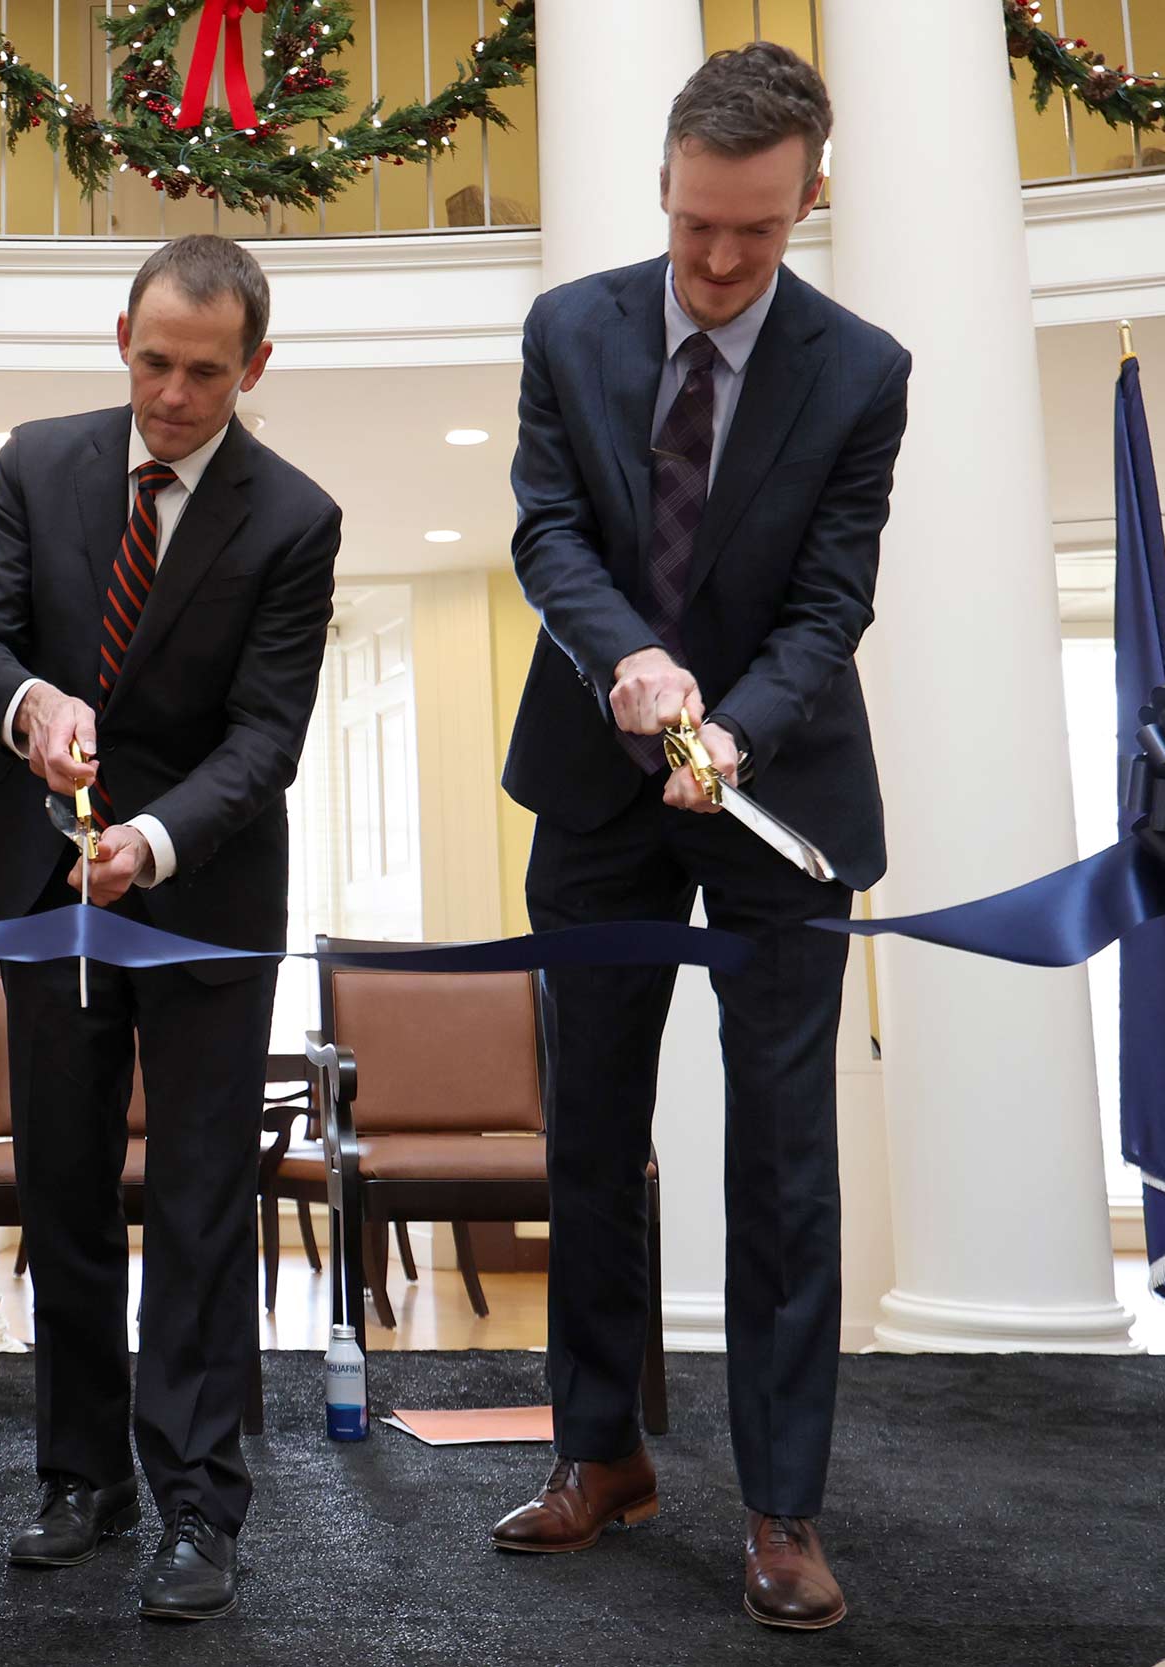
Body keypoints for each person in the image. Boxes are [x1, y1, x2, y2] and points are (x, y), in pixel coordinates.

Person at [490, 43, 911, 1632]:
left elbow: (833, 599)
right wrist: (630, 664)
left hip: (779, 794)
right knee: (589, 1128)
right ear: (664, 184)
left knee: (783, 1155)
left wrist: (735, 721)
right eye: (695, 228)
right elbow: (547, 526)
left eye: (755, 231)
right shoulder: (568, 326)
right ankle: (600, 1453)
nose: (721, 263)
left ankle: (783, 1507)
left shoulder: (861, 370)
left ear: (810, 196)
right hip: (597, 790)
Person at [0, 234, 341, 1624]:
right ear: (123, 335)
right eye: (155, 361)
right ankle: (82, 1473)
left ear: (256, 367)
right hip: (44, 887)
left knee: (203, 1198)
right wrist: (32, 705)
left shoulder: (293, 517)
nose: (173, 395)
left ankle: (196, 1498)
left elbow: (266, 735)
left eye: (207, 373)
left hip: (206, 900)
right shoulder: (41, 462)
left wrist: (156, 841)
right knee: (58, 1178)